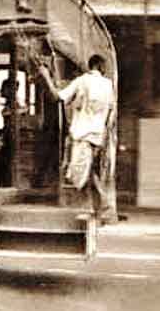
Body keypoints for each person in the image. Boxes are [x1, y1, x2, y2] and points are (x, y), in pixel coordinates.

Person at [38, 55, 116, 216]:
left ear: (90, 66)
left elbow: (57, 97)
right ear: (102, 68)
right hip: (98, 136)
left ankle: (99, 209)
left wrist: (45, 75)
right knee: (92, 172)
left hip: (82, 135)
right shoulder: (108, 85)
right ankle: (99, 210)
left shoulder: (82, 81)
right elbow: (110, 113)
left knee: (80, 175)